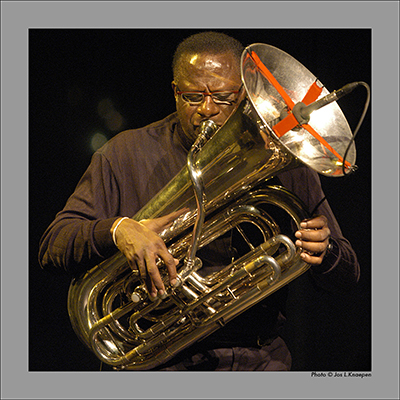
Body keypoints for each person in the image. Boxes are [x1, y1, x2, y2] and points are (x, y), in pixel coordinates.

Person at [38, 31, 360, 371]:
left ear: (247, 94)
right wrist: (119, 231)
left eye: (223, 98)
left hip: (260, 361)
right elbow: (53, 245)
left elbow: (348, 275)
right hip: (158, 362)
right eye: (193, 96)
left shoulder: (284, 160)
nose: (207, 109)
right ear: (175, 92)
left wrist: (325, 252)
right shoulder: (124, 154)